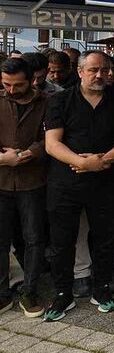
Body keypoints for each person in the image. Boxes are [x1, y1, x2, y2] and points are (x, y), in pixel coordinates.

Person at [43, 52, 114, 321]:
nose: (99, 75)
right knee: (62, 241)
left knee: (105, 239)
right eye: (93, 70)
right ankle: (63, 293)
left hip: (106, 181)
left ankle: (102, 288)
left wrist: (102, 160)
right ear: (81, 71)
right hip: (65, 183)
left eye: (104, 70)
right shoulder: (60, 100)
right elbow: (52, 143)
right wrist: (81, 163)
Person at [0, 57, 48, 318]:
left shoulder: (48, 102)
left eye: (18, 85)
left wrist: (32, 152)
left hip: (33, 180)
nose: (11, 90)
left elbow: (51, 136)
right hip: (1, 179)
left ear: (32, 81)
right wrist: (4, 158)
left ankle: (30, 291)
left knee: (34, 239)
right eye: (6, 84)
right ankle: (2, 292)